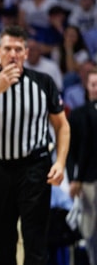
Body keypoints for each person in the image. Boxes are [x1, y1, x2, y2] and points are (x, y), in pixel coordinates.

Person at [0, 25, 70, 264]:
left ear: (25, 52)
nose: (13, 54)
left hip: (34, 167)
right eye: (8, 48)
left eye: (18, 49)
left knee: (34, 240)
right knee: (2, 242)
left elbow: (62, 126)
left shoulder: (43, 82)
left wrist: (61, 162)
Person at [68, 66, 97, 265]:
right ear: (87, 86)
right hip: (88, 180)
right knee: (90, 232)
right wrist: (73, 179)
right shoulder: (78, 115)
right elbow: (71, 152)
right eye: (94, 84)